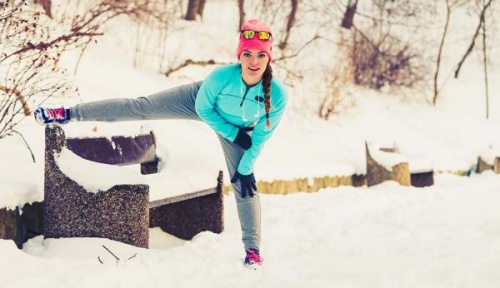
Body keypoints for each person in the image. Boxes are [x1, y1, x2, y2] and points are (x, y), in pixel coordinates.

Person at [34, 19, 288, 268]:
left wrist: (245, 167)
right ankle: (68, 114)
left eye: (260, 56)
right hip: (201, 103)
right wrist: (233, 134)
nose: (254, 61)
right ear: (239, 55)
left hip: (241, 131)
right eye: (248, 54)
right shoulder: (221, 78)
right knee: (140, 107)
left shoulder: (277, 95)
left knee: (245, 183)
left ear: (269, 58)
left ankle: (252, 251)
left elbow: (262, 136)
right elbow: (204, 110)